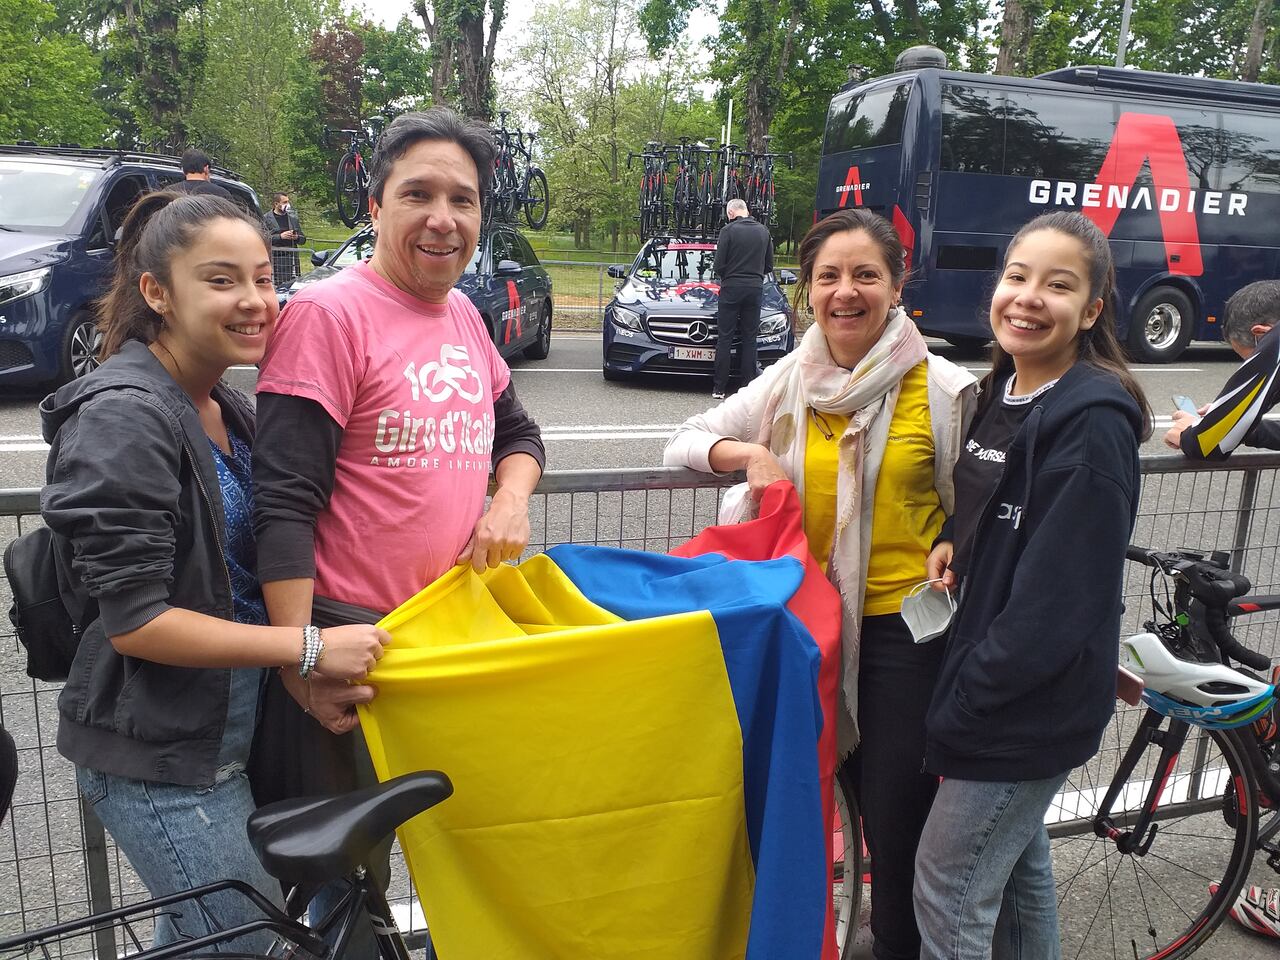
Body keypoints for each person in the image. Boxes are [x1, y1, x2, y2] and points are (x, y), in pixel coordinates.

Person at [38, 191, 388, 950]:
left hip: (229, 734)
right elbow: (137, 624)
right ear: (156, 292)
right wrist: (307, 649)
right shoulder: (122, 419)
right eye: (223, 280)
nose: (256, 301)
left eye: (265, 278)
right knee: (253, 941)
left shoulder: (228, 406)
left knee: (199, 939)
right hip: (161, 761)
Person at [251, 107, 545, 954]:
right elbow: (284, 505)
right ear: (374, 206)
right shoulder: (328, 316)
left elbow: (518, 435)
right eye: (418, 193)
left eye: (464, 198)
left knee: (468, 857)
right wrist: (300, 655)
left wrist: (509, 499)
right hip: (352, 646)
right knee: (346, 890)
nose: (442, 217)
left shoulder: (464, 319)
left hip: (448, 635)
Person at [666, 207, 978, 960]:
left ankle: (900, 943)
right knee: (798, 811)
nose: (846, 292)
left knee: (896, 823)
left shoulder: (942, 389)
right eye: (828, 276)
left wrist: (949, 538)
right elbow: (684, 440)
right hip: (805, 630)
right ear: (806, 290)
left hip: (903, 637)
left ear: (898, 285)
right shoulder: (790, 381)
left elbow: (979, 509)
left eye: (866, 274)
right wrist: (748, 457)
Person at [914, 211, 1151, 959]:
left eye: (1057, 285)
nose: (1027, 297)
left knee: (947, 885)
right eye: (1017, 277)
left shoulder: (1090, 422)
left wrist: (970, 697)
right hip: (1004, 684)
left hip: (1022, 701)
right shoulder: (1004, 390)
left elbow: (1063, 594)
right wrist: (955, 539)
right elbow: (996, 505)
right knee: (1016, 873)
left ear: (1091, 310)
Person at [1164, 279, 1280, 457]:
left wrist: (1190, 432)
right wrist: (1241, 422)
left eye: (1250, 359)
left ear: (1261, 334)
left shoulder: (1276, 341)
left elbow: (1207, 444)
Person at [712, 197, 775, 400]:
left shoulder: (728, 231)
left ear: (731, 213)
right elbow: (769, 266)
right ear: (746, 210)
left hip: (731, 288)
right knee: (749, 338)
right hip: (755, 288)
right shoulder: (763, 232)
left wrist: (729, 274)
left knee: (725, 338)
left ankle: (719, 388)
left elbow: (719, 265)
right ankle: (747, 387)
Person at [267, 192, 305, 287]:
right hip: (276, 259)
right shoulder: (266, 219)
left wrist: (296, 237)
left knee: (294, 285)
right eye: (284, 202)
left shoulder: (293, 219)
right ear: (276, 204)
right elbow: (263, 238)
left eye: (288, 202)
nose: (287, 204)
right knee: (278, 286)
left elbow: (303, 239)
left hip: (292, 260)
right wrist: (280, 236)